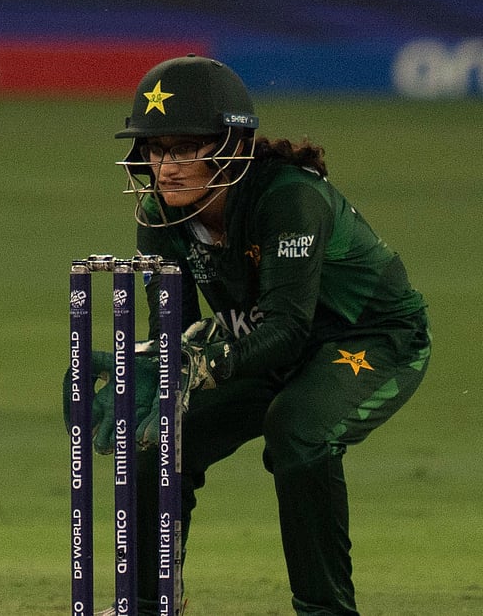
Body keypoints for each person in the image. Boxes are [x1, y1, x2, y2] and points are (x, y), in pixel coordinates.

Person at [99, 54, 431, 615]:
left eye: (185, 149)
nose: (166, 167)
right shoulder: (161, 215)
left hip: (373, 338)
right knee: (159, 436)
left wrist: (207, 365)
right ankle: (147, 606)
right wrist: (155, 371)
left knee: (296, 431)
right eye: (156, 149)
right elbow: (175, 329)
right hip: (263, 343)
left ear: (231, 146)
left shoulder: (288, 198)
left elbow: (289, 327)